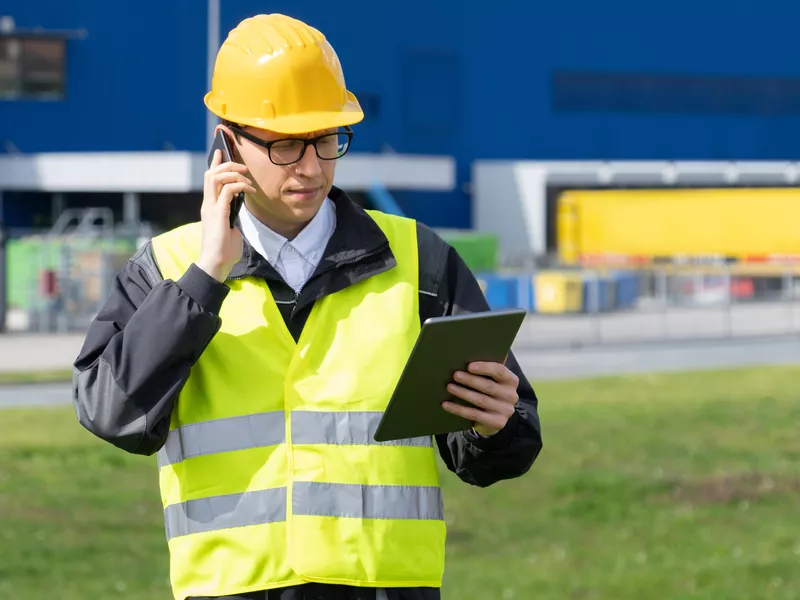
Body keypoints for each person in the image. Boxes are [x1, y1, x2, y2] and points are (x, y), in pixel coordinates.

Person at [72, 12, 542, 600]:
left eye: (326, 139)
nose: (313, 166)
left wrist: (494, 426)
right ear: (229, 143)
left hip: (385, 590)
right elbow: (111, 415)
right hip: (231, 590)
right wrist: (204, 277)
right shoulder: (168, 269)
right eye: (287, 144)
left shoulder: (421, 261)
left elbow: (503, 445)